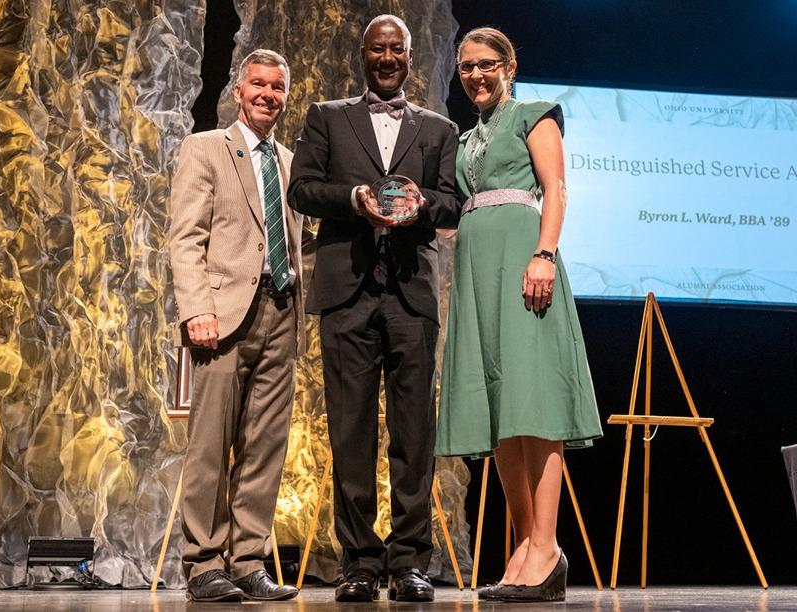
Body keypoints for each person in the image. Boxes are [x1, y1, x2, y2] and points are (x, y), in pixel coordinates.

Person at [288, 14, 460, 603]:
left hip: (412, 295)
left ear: (410, 58)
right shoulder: (327, 117)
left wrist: (419, 207)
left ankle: (410, 558)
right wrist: (357, 198)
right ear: (363, 55)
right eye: (377, 49)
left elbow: (453, 203)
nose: (387, 59)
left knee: (414, 433)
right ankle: (359, 561)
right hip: (348, 293)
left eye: (397, 50)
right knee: (350, 432)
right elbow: (303, 189)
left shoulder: (438, 128)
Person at [435, 28, 603, 603]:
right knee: (499, 410)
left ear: (509, 66)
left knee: (535, 404)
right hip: (478, 274)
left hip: (526, 263)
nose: (476, 76)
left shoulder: (534, 114)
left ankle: (547, 545)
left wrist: (544, 254)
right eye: (466, 68)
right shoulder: (465, 137)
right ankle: (528, 544)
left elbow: (556, 188)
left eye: (486, 65)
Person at [168, 49, 303, 603]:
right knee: (209, 446)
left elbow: (290, 238)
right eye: (258, 84)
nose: (267, 95)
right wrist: (196, 308)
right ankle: (203, 565)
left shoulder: (291, 162)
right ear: (238, 89)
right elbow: (185, 236)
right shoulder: (205, 148)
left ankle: (248, 560)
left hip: (281, 312)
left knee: (265, 446)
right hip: (221, 318)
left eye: (277, 87)